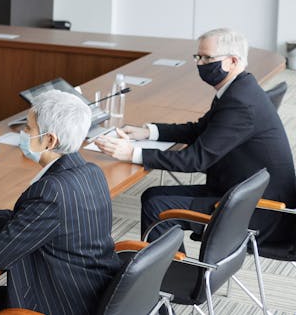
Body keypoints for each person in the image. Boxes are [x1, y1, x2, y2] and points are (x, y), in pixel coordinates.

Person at [95, 27, 296, 244]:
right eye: (198, 57)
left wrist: (133, 153)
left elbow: (195, 160)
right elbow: (200, 129)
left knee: (158, 206)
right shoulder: (239, 88)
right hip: (240, 191)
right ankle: (173, 264)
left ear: (233, 61)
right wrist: (150, 132)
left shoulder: (240, 103)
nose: (199, 63)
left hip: (260, 211)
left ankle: (168, 274)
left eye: (207, 58)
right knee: (153, 196)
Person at [0, 90, 120, 315]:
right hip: (89, 289)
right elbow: (42, 221)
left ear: (49, 140)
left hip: (60, 303)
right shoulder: (90, 171)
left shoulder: (52, 191)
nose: (23, 133)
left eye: (28, 128)